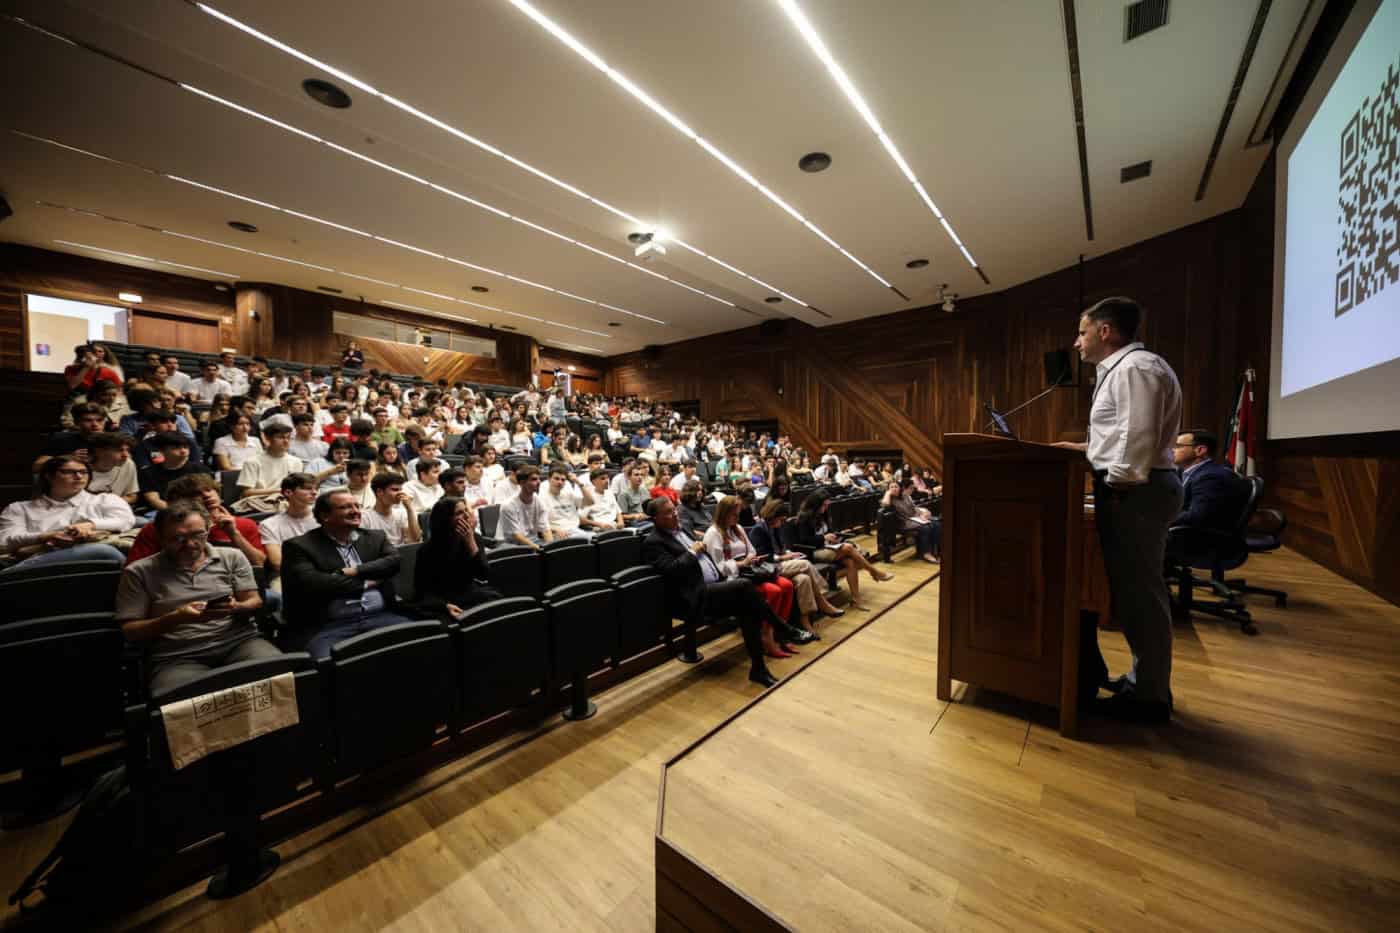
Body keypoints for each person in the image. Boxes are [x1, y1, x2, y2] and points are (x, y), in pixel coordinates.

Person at [1056, 296, 1183, 724]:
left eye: (1082, 331)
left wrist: (1115, 486)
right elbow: (1123, 436)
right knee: (1134, 596)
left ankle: (1149, 698)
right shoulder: (1127, 370)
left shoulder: (1134, 369)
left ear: (1104, 331)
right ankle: (1143, 682)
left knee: (1141, 598)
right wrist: (1085, 449)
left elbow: (1139, 439)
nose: (1077, 342)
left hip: (1136, 493)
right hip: (1134, 489)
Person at [115, 503, 276, 693]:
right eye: (178, 538)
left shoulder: (231, 557)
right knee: (183, 703)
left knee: (279, 680)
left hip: (239, 642)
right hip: (176, 655)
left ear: (208, 529)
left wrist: (236, 607)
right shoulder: (139, 572)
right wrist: (176, 617)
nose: (190, 544)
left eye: (198, 535)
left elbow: (254, 600)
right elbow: (130, 631)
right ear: (160, 538)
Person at [641, 497, 781, 688]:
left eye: (674, 509)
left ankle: (758, 669)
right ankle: (782, 628)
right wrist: (691, 552)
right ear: (655, 518)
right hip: (693, 596)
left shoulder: (684, 529)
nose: (675, 514)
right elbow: (673, 571)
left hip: (713, 588)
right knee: (744, 586)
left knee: (748, 608)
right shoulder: (653, 542)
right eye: (668, 512)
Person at [280, 490, 416, 659]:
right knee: (326, 664)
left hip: (381, 615)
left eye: (356, 506)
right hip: (329, 625)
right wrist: (369, 582)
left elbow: (395, 562)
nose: (355, 511)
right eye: (345, 507)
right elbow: (316, 583)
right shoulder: (299, 546)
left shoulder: (375, 537)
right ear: (325, 516)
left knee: (424, 645)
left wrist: (356, 571)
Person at [704, 496, 821, 657]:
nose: (738, 518)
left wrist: (751, 558)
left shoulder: (737, 528)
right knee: (774, 591)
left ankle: (782, 635)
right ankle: (767, 637)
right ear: (724, 513)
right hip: (734, 578)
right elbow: (720, 567)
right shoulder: (713, 533)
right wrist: (742, 562)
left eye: (738, 515)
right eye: (734, 515)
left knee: (786, 585)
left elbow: (751, 550)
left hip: (751, 570)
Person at [0, 456, 134, 572]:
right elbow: (5, 541)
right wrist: (45, 536)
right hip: (39, 566)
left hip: (93, 565)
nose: (79, 476)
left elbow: (126, 520)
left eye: (84, 472)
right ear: (49, 476)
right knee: (103, 551)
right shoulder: (19, 508)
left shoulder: (105, 499)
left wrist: (90, 525)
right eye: (69, 472)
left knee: (104, 551)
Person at [125, 473, 266, 573]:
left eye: (209, 490)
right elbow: (134, 570)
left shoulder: (244, 525)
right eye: (195, 493)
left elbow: (259, 564)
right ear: (179, 502)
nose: (206, 495)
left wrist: (234, 534)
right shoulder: (157, 529)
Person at [792, 489, 892, 611]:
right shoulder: (805, 517)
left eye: (827, 504)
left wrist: (834, 538)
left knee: (850, 561)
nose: (826, 507)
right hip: (814, 551)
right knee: (849, 548)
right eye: (824, 505)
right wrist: (823, 538)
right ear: (816, 504)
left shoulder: (824, 514)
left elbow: (829, 531)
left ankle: (856, 600)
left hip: (828, 547)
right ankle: (873, 571)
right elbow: (804, 540)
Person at [413, 497, 503, 622]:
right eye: (459, 513)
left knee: (498, 605)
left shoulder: (474, 538)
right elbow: (421, 591)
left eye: (466, 510)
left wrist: (470, 543)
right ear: (446, 519)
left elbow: (483, 575)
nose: (467, 516)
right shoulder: (427, 549)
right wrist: (444, 606)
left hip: (469, 593)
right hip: (442, 599)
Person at [1171, 429, 1249, 531]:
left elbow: (1197, 516)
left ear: (1200, 450)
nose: (1172, 450)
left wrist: (1161, 519)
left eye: (1177, 446)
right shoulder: (1182, 472)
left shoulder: (1211, 477)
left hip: (1203, 537)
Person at [257, 473, 321, 577]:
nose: (314, 492)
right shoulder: (269, 524)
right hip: (289, 578)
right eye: (308, 488)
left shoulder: (327, 519)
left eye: (316, 489)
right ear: (288, 492)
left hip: (325, 575)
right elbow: (277, 563)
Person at [138, 432, 213, 512]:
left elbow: (211, 494)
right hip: (164, 512)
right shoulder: (149, 472)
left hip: (200, 510)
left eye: (185, 447)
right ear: (162, 450)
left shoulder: (201, 469)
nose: (183, 451)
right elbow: (153, 500)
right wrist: (181, 512)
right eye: (176, 448)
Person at [34, 402, 109, 472]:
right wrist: (68, 458)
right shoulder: (61, 438)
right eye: (88, 420)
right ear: (76, 422)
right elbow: (36, 467)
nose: (95, 424)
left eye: (100, 420)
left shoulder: (114, 440)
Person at [236, 423, 305, 499]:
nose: (286, 441)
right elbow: (247, 492)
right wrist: (279, 491)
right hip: (260, 502)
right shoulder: (252, 462)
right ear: (268, 439)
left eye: (288, 438)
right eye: (280, 437)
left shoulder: (296, 462)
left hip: (287, 501)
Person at [883, 476, 941, 563]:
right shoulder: (890, 498)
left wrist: (921, 514)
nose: (894, 489)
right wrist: (887, 493)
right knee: (926, 527)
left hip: (913, 519)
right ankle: (926, 553)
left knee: (936, 524)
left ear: (900, 488)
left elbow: (914, 508)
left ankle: (935, 551)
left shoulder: (905, 496)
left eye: (896, 487)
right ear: (888, 489)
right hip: (903, 523)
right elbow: (885, 505)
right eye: (891, 487)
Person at [358, 471, 423, 547]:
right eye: (395, 490)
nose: (400, 493)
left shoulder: (402, 513)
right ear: (379, 492)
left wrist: (409, 509)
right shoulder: (364, 517)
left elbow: (416, 539)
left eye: (400, 489)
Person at [499, 465, 552, 548]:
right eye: (534, 479)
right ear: (522, 483)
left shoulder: (540, 501)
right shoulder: (508, 505)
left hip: (532, 540)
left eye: (539, 479)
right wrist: (537, 548)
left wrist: (550, 547)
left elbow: (545, 529)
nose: (539, 482)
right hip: (509, 543)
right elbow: (516, 535)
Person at [539, 464, 591, 540]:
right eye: (556, 479)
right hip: (558, 533)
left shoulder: (568, 493)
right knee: (592, 539)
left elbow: (590, 502)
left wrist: (578, 482)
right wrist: (556, 530)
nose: (560, 482)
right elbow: (540, 524)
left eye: (563, 480)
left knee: (597, 538)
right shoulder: (542, 497)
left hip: (576, 530)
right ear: (549, 479)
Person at [86, 432, 139, 507]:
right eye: (119, 450)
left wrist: (108, 504)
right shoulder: (79, 468)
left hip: (113, 509)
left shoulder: (128, 464)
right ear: (99, 451)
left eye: (128, 450)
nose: (126, 455)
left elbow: (132, 497)